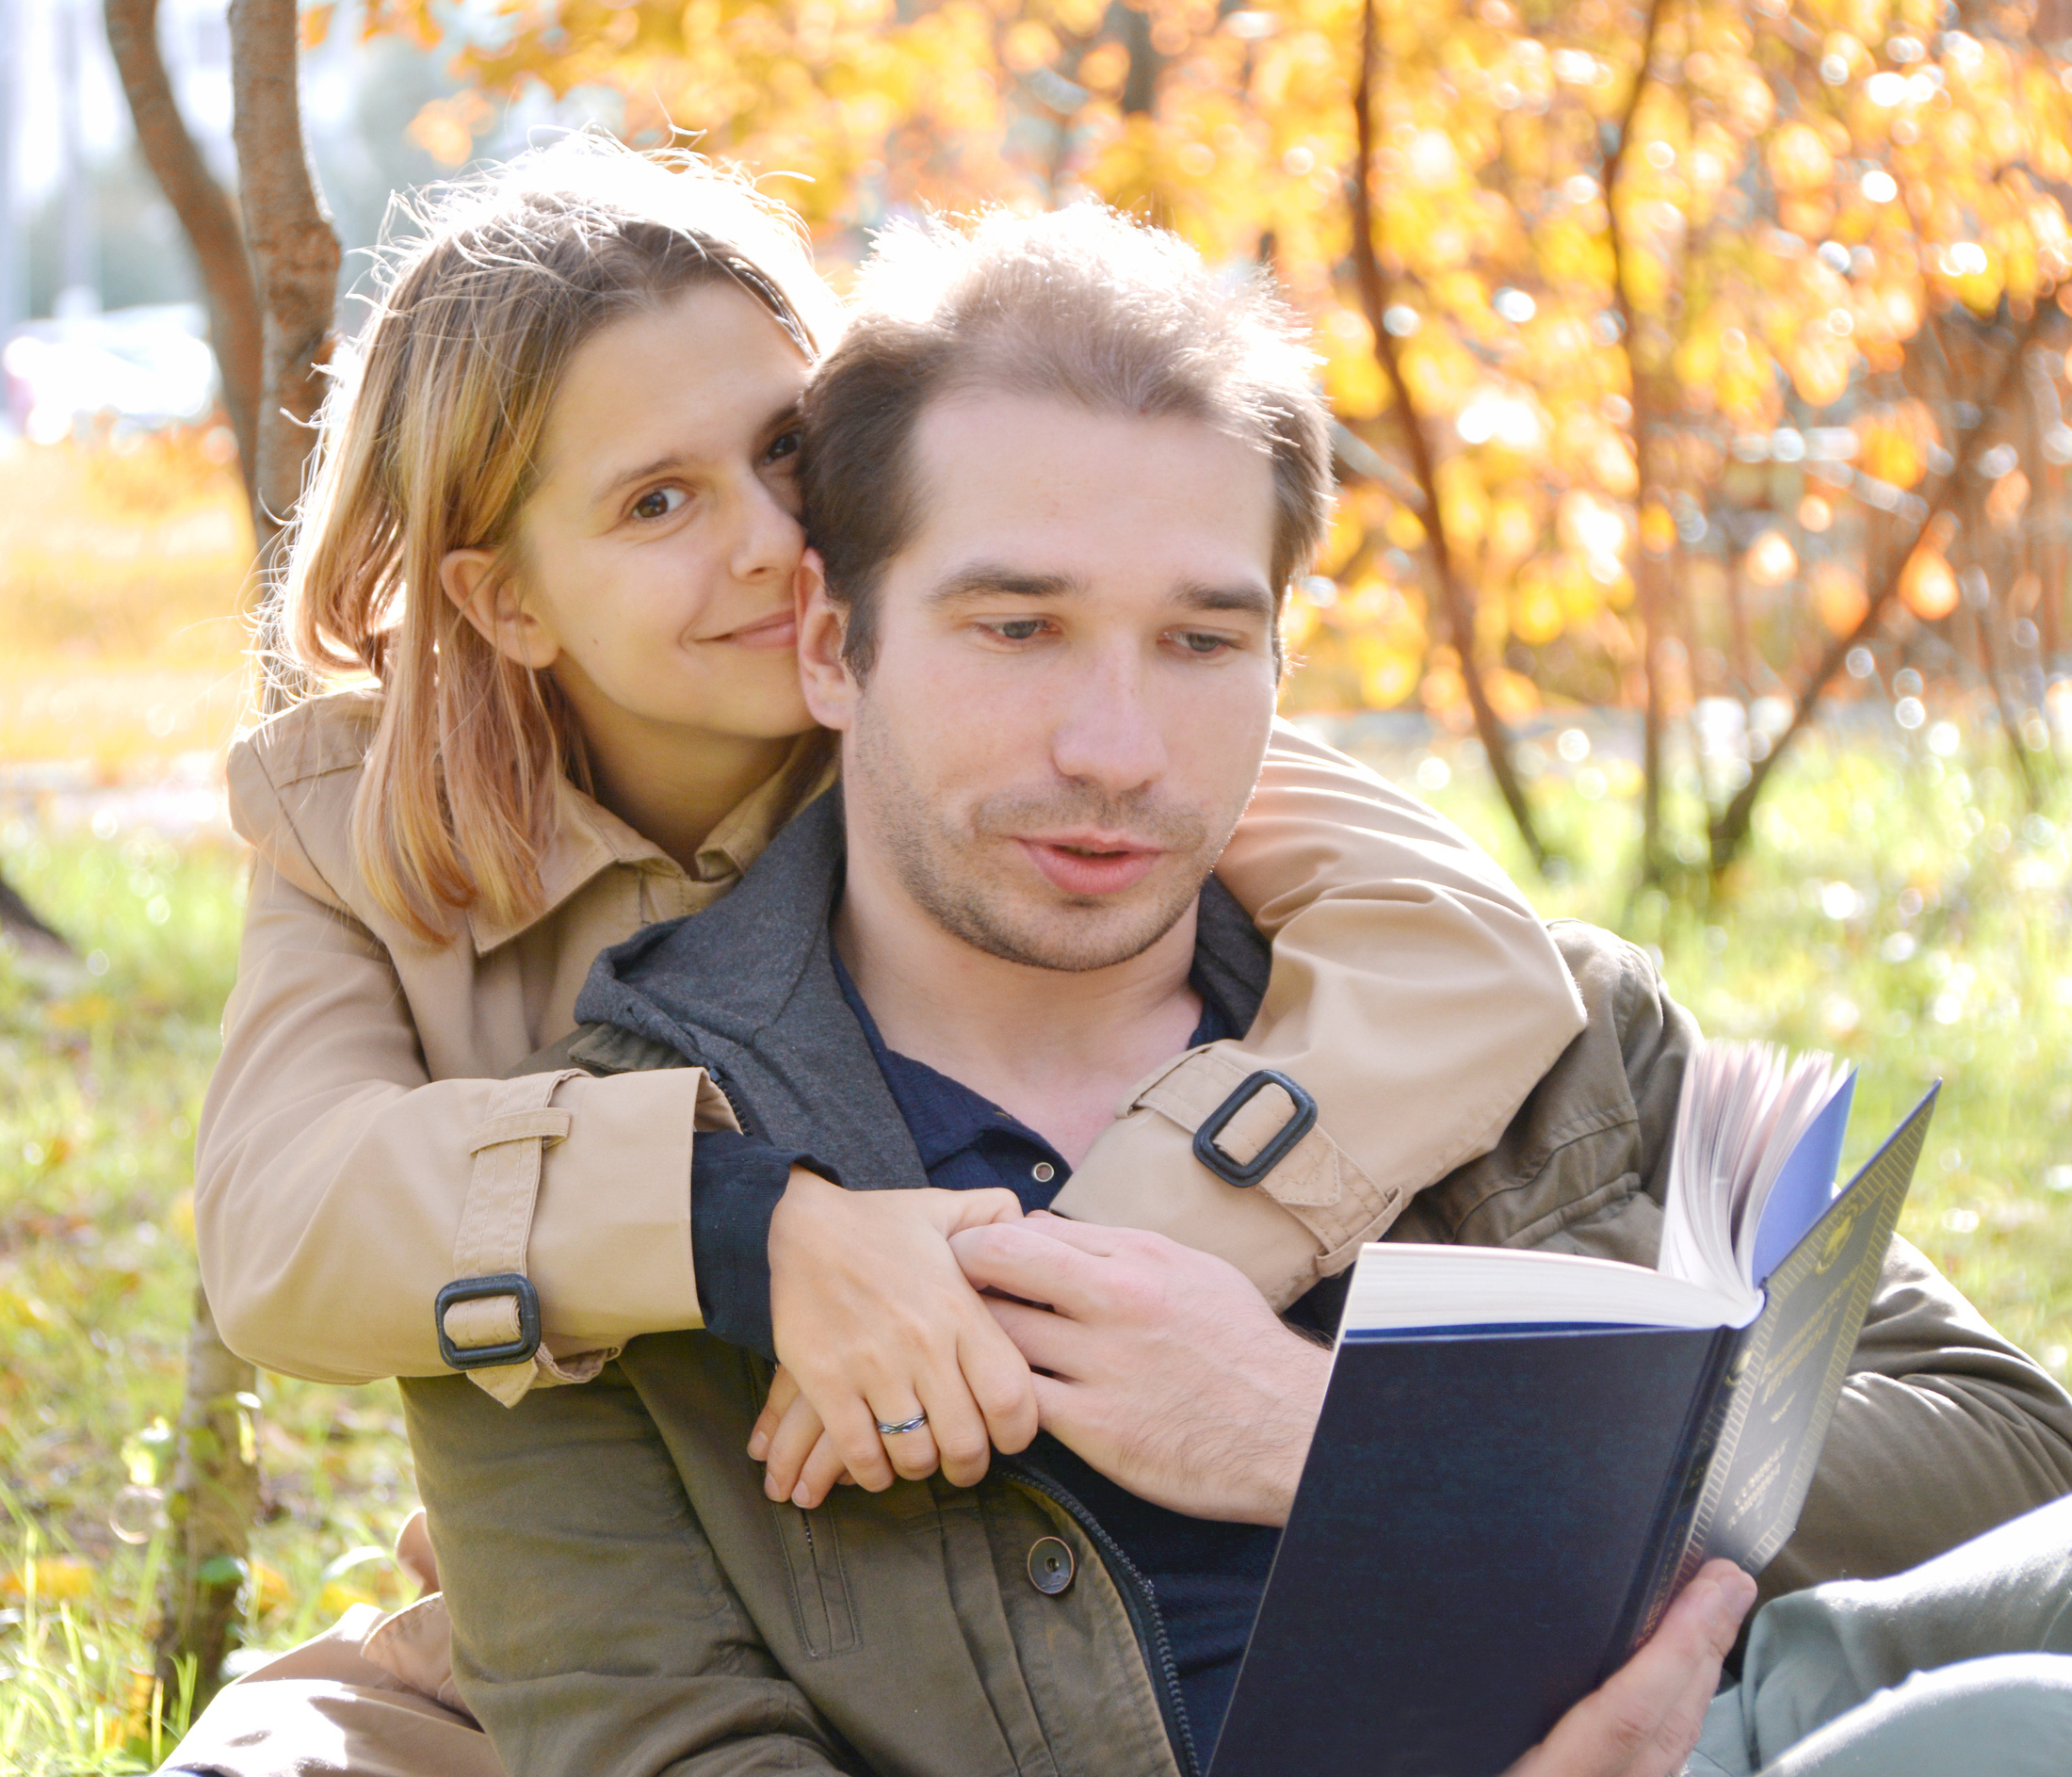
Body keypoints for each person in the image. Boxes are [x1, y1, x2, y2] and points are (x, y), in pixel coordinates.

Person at [384, 201, 2072, 1777]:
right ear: (834, 646)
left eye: (1203, 643)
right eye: (1018, 629)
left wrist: (1345, 1442)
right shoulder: (598, 1220)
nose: (1116, 751)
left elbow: (2022, 1466)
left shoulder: (1534, 1028)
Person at [165, 136, 1607, 1777]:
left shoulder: (1001, 726)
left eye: (786, 451)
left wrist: (1025, 1301)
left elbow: (1463, 952)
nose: (778, 545)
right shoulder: (374, 820)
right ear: (507, 603)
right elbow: (281, 1222)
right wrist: (757, 1235)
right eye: (657, 502)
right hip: (576, 1605)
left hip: (930, 1572)